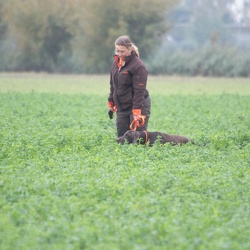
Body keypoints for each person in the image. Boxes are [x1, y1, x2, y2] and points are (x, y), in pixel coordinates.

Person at [107, 35, 151, 137]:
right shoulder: (115, 64)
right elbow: (113, 85)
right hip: (122, 106)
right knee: (122, 138)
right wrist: (111, 102)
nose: (119, 54)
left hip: (138, 104)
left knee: (137, 138)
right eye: (117, 51)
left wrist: (137, 111)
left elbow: (139, 91)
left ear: (130, 49)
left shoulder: (138, 66)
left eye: (122, 51)